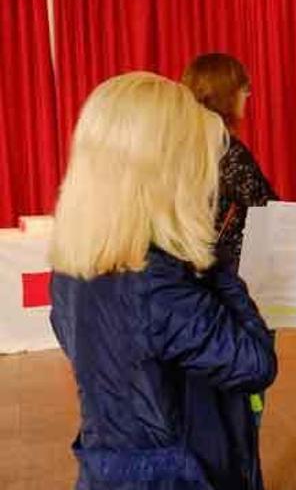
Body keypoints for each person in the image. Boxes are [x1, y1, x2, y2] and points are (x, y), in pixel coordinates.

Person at [49, 72, 278, 490]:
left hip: (107, 465)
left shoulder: (75, 266)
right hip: (179, 474)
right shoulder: (158, 283)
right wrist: (213, 264)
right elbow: (255, 364)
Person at [182, 53, 278, 269]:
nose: (248, 95)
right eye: (243, 89)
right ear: (225, 96)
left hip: (185, 268)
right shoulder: (226, 150)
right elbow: (269, 210)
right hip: (228, 273)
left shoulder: (179, 146)